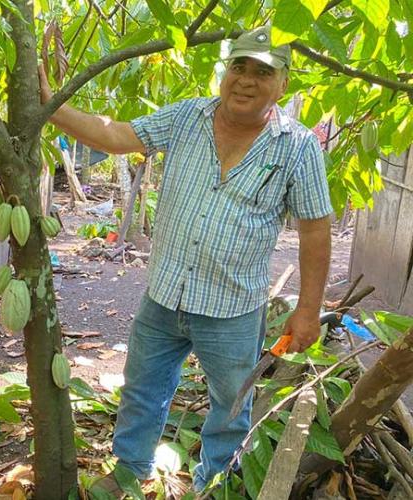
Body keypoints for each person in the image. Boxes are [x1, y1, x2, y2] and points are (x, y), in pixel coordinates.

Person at [40, 26, 333, 494]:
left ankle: (215, 481)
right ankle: (130, 470)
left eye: (262, 71)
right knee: (142, 390)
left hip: (232, 309)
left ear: (283, 83)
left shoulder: (296, 147)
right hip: (165, 294)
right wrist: (52, 104)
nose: (246, 80)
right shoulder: (187, 117)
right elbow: (116, 134)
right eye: (239, 66)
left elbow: (315, 229)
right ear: (225, 70)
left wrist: (307, 310)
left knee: (231, 403)